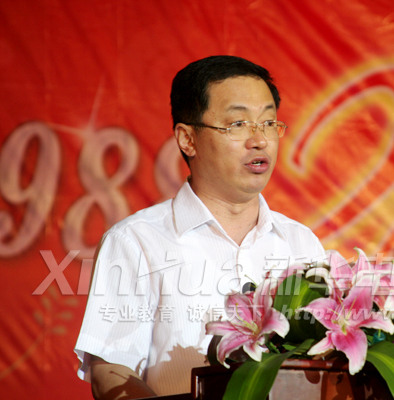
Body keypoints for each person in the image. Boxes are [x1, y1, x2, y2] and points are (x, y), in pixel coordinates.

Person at [74, 55, 326, 399]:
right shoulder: (136, 241)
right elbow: (111, 371)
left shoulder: (302, 243)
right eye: (238, 124)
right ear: (187, 139)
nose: (260, 140)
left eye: (269, 122)